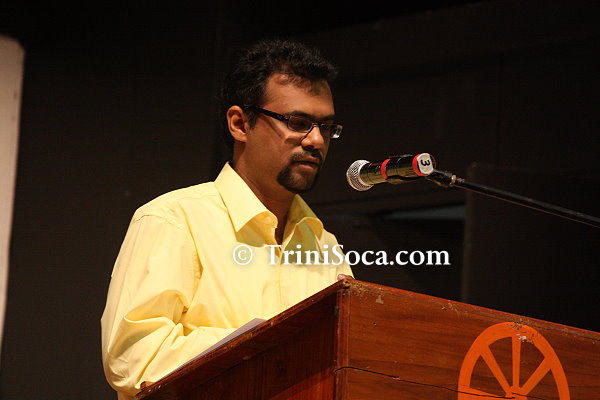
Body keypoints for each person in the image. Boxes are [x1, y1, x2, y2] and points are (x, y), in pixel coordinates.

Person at [100, 39, 353, 399]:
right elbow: (135, 359)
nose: (315, 140)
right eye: (298, 123)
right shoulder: (173, 219)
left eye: (325, 127)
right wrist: (272, 350)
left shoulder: (325, 245)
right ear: (240, 124)